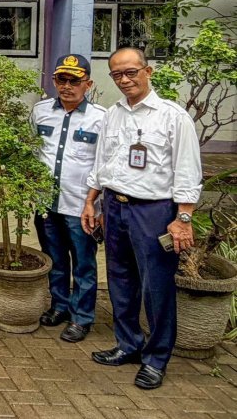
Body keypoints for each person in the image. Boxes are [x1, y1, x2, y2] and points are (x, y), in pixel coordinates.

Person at [82, 47, 202, 390]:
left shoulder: (172, 116)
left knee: (156, 288)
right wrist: (92, 201)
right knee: (120, 280)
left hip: (154, 211)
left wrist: (183, 218)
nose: (124, 80)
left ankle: (156, 358)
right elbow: (101, 162)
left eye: (131, 72)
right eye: (117, 74)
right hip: (115, 206)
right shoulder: (113, 115)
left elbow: (188, 171)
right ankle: (128, 344)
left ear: (147, 71)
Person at [30, 54, 106, 343]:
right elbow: (34, 152)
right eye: (62, 79)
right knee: (56, 259)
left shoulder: (101, 118)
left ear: (88, 84)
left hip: (81, 206)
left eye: (75, 80)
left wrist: (96, 204)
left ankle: (82, 317)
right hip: (46, 203)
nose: (67, 86)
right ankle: (59, 305)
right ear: (54, 81)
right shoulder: (40, 111)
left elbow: (103, 164)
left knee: (84, 264)